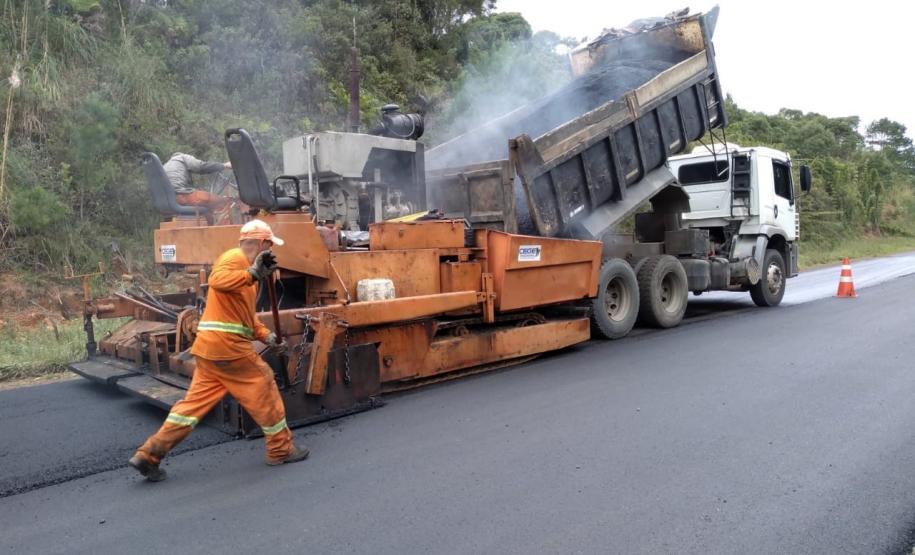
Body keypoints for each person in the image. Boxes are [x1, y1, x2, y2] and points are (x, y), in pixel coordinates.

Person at [129, 219, 309, 482]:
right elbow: (217, 280)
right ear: (261, 243)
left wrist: (268, 336)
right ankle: (280, 449)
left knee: (190, 408)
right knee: (265, 387)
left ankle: (149, 454)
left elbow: (246, 318)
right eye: (269, 245)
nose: (271, 251)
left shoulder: (249, 274)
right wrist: (253, 274)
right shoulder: (234, 258)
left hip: (210, 351)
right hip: (228, 349)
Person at [163, 152, 233, 214]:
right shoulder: (182, 158)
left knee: (209, 207)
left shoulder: (165, 165)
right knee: (223, 202)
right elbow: (201, 167)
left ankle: (210, 225)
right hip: (182, 196)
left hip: (169, 201)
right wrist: (224, 165)